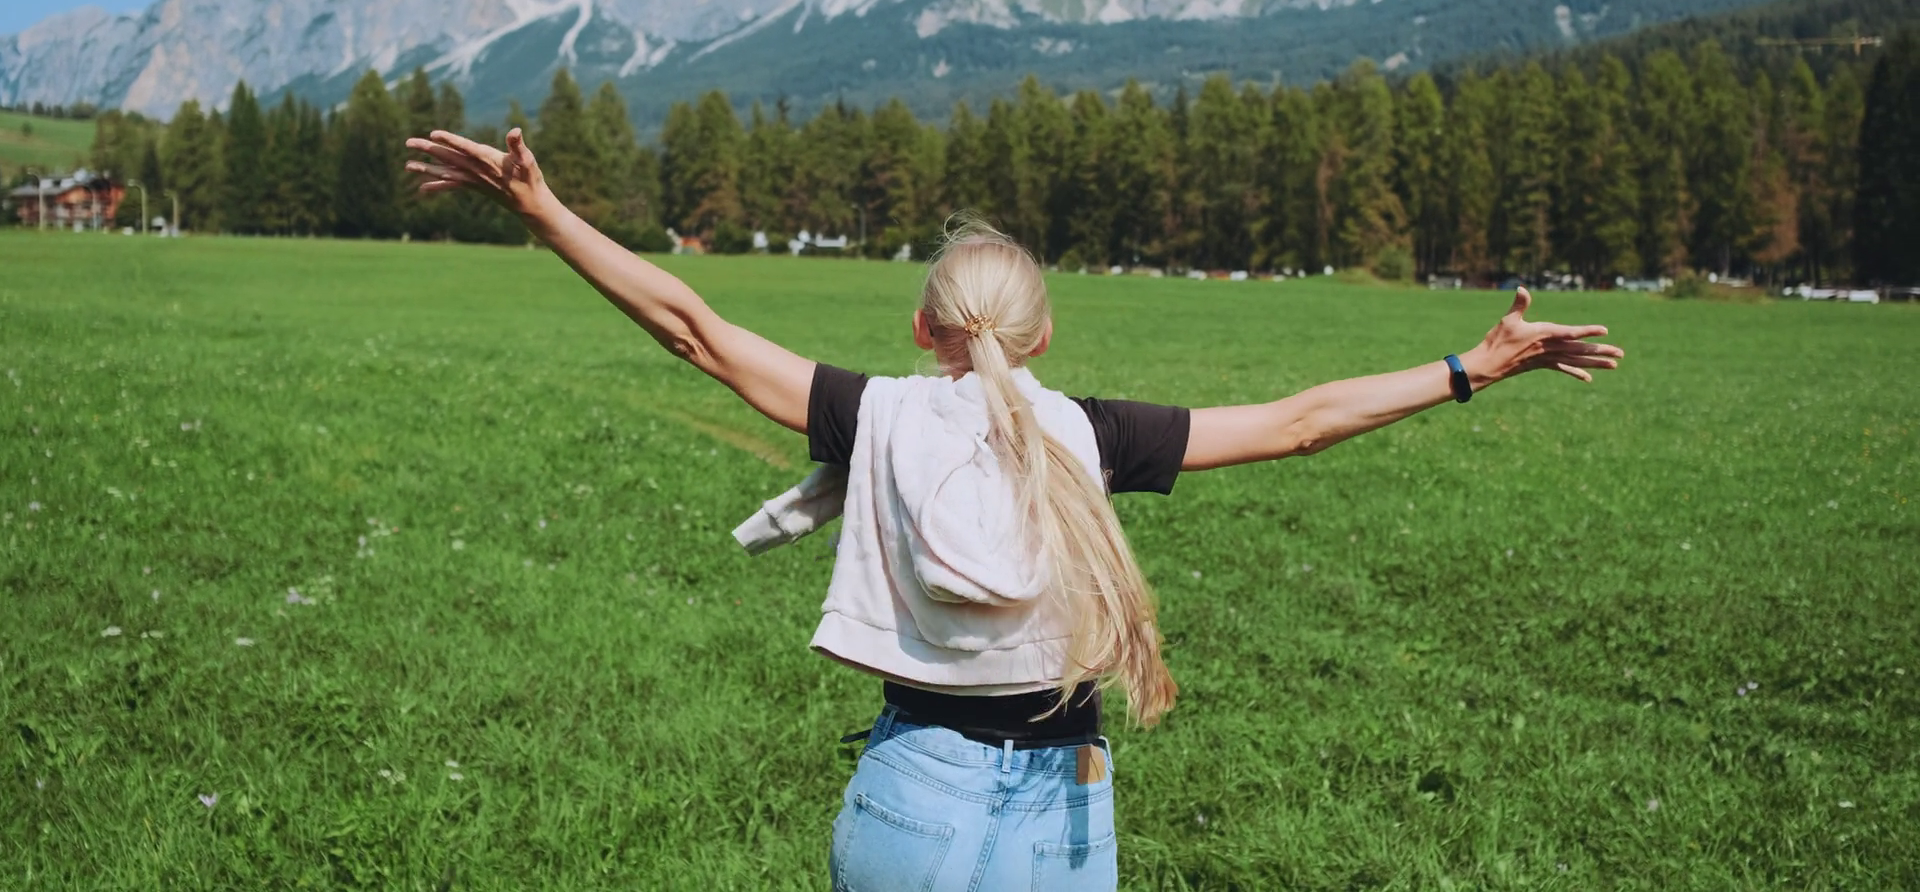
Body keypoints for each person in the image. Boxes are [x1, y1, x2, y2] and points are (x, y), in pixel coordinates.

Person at [404, 127, 1624, 891]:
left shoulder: (872, 414)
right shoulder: (1094, 436)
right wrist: (1472, 366)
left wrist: (546, 215)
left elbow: (695, 330)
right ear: (1040, 337)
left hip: (910, 798)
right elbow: (1300, 420)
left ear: (923, 329)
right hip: (1063, 818)